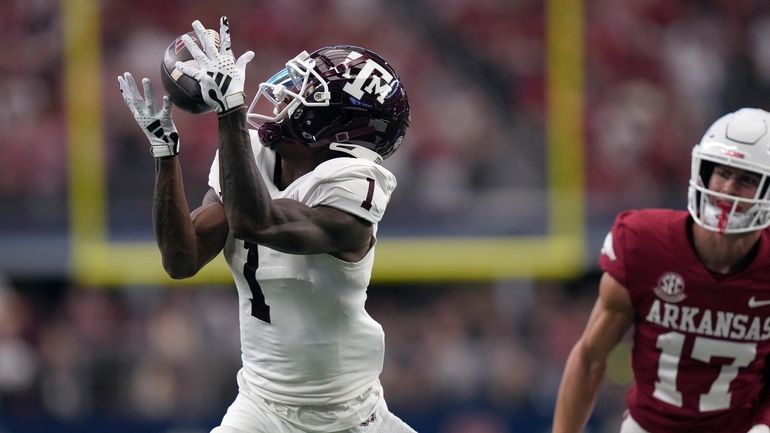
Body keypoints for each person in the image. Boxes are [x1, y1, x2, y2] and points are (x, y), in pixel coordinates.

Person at [117, 17, 417, 433]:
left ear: (335, 128)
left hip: (355, 416)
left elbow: (258, 221)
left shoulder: (357, 185)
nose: (286, 94)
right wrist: (165, 155)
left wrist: (231, 112)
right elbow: (181, 259)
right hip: (263, 409)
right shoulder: (248, 151)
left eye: (307, 93)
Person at [552, 107, 770, 433]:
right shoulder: (645, 245)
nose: (726, 190)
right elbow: (589, 357)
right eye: (721, 173)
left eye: (747, 180)